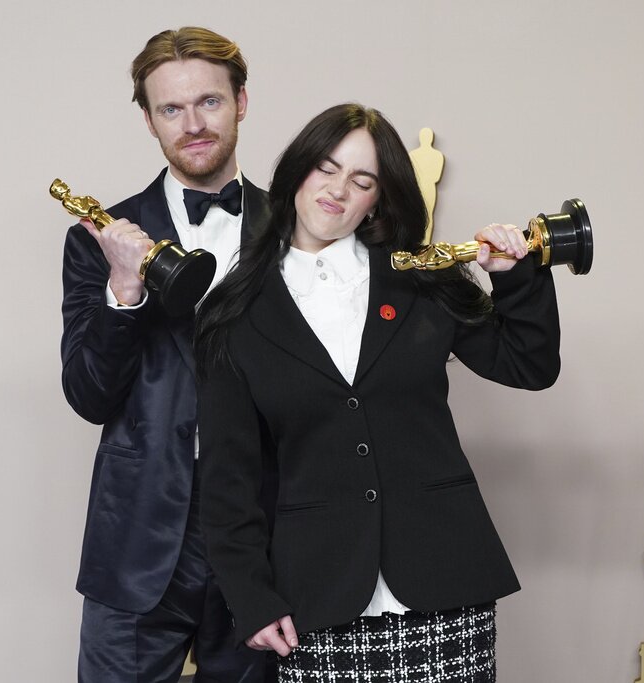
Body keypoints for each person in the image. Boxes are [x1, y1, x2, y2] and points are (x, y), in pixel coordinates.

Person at [195, 103, 562, 681]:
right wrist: (252, 598)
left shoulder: (420, 276)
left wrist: (515, 276)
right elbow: (226, 480)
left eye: (361, 180)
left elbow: (528, 365)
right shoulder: (233, 313)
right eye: (325, 168)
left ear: (378, 199)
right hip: (318, 596)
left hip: (445, 587)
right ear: (296, 172)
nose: (337, 190)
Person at [60, 27, 272, 682]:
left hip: (266, 531)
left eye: (208, 102)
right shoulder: (98, 238)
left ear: (241, 101)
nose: (193, 124)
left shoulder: (304, 234)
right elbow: (89, 395)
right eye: (171, 109)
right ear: (149, 120)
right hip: (138, 534)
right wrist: (124, 291)